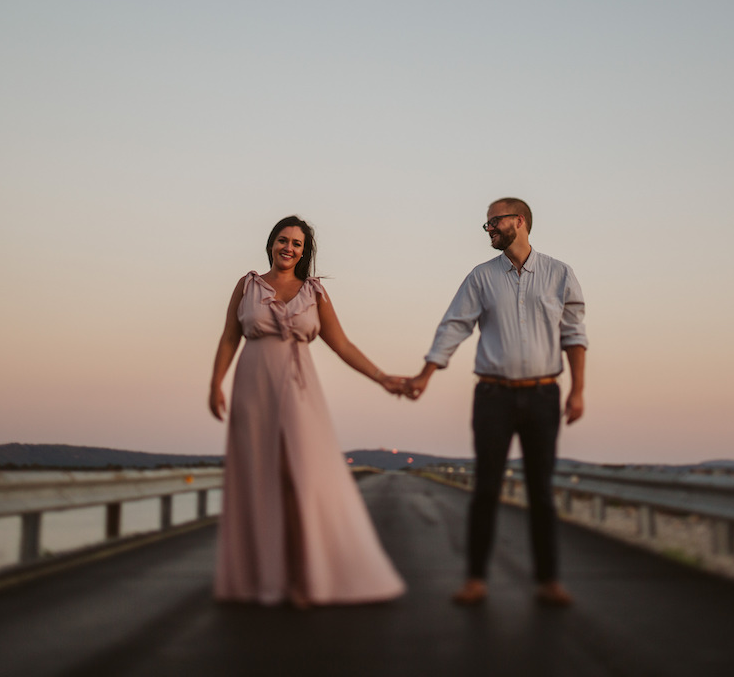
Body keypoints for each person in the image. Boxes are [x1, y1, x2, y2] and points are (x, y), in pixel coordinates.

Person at [208, 215, 408, 608]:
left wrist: (383, 377)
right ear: (270, 244)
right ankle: (263, 577)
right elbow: (229, 337)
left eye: (297, 244)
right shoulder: (247, 285)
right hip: (253, 389)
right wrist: (215, 383)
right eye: (283, 240)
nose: (289, 248)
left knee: (299, 479)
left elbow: (342, 345)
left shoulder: (314, 292)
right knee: (260, 480)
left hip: (300, 392)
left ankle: (304, 576)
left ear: (305, 251)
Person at [408, 198, 587, 607]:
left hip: (543, 394)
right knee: (486, 487)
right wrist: (426, 373)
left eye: (494, 222)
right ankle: (475, 579)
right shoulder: (481, 277)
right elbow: (454, 326)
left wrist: (577, 391)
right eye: (486, 224)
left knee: (541, 490)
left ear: (519, 222)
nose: (488, 229)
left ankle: (548, 581)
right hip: (493, 396)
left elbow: (574, 335)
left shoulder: (560, 274)